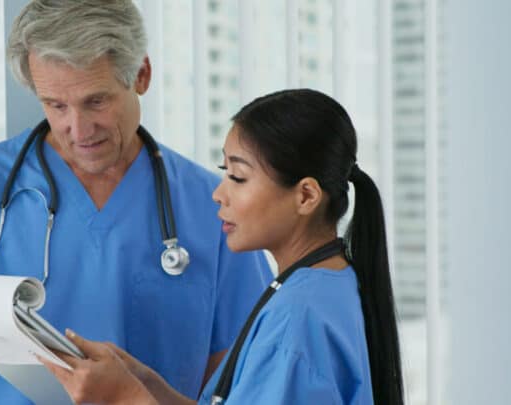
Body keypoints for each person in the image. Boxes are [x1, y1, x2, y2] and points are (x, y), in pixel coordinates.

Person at [0, 1, 271, 403]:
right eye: (56, 105)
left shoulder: (214, 206)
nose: (79, 128)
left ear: (141, 75)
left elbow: (239, 387)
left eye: (96, 101)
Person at [40, 88, 405, 405]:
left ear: (306, 195)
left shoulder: (297, 319)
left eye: (239, 177)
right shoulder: (329, 284)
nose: (219, 193)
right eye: (224, 170)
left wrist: (123, 397)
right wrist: (141, 381)